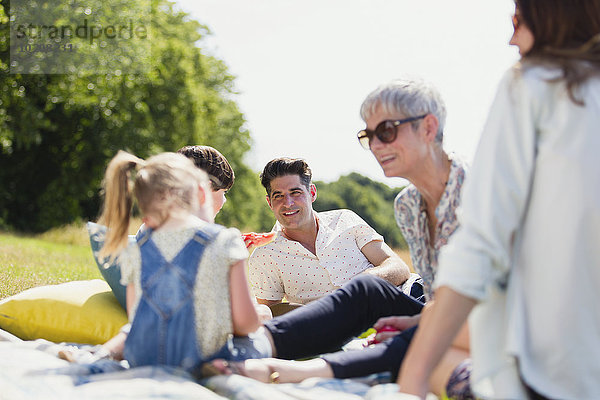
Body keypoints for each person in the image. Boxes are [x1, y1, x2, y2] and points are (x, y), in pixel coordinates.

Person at [210, 78, 473, 399]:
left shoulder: (478, 192)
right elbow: (269, 308)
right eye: (369, 136)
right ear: (269, 202)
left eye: (386, 132)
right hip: (419, 311)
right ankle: (253, 350)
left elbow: (406, 273)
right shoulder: (408, 205)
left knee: (367, 291)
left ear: (429, 127)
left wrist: (347, 295)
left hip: (463, 312)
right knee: (368, 294)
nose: (376, 145)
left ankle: (296, 371)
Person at [398, 1, 600, 399]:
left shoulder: (535, 83)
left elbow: (480, 245)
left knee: (437, 357)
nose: (511, 38)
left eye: (518, 20)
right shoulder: (408, 204)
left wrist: (412, 380)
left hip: (555, 374)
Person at [95, 150, 270, 375]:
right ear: (202, 191)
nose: (225, 200)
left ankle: (98, 355)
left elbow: (136, 317)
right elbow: (246, 324)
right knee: (262, 338)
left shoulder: (139, 246)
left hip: (143, 356)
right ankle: (222, 369)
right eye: (223, 192)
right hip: (202, 356)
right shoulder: (226, 240)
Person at [248, 157, 412, 308]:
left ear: (311, 193)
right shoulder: (265, 256)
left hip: (402, 301)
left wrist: (361, 285)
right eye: (278, 196)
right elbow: (272, 316)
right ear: (269, 202)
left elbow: (398, 268)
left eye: (295, 192)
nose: (288, 203)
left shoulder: (345, 219)